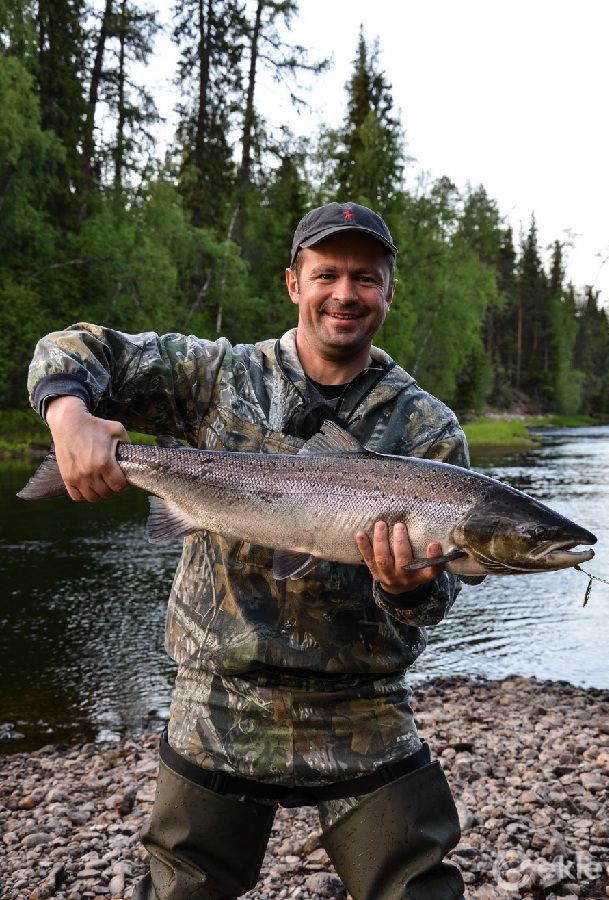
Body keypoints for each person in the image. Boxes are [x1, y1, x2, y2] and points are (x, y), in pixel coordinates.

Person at [27, 202, 469, 900]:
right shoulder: (216, 376)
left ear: (389, 290)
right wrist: (69, 413)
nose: (345, 294)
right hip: (218, 697)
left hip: (363, 706)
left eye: (365, 277)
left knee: (419, 890)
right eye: (327, 274)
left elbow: (435, 605)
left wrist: (409, 588)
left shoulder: (426, 426)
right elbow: (75, 345)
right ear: (294, 283)